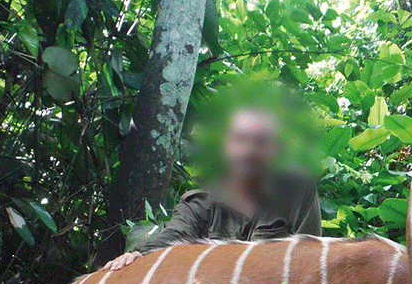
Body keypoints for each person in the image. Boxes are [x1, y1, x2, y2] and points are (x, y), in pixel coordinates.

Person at [103, 106, 322, 271]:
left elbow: (309, 261)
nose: (248, 151)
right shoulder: (199, 204)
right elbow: (175, 235)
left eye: (260, 142)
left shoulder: (296, 192)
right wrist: (139, 254)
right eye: (240, 140)